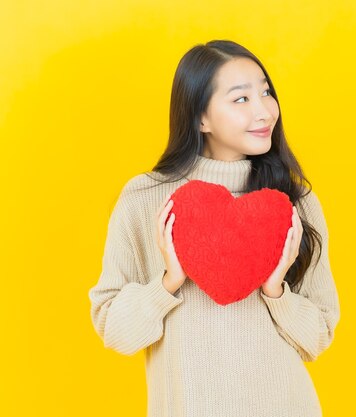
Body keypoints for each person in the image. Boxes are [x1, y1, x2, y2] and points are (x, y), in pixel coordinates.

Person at [88, 40, 340, 417]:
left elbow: (317, 337)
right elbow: (115, 332)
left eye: (266, 92)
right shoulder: (146, 199)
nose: (264, 111)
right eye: (241, 99)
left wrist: (276, 292)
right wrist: (168, 282)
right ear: (200, 117)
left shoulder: (294, 203)